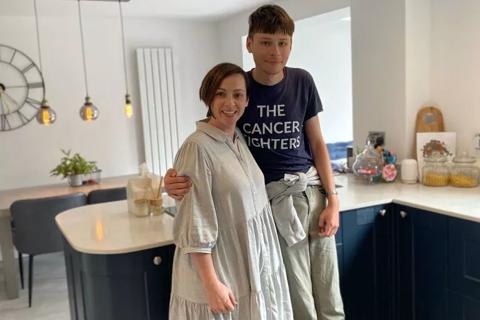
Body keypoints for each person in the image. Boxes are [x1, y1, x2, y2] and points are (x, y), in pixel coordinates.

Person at [166, 5, 345, 320]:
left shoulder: (302, 81)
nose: (275, 52)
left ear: (291, 44)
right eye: (265, 42)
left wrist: (333, 199)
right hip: (275, 203)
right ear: (249, 43)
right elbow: (209, 142)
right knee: (298, 296)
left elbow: (317, 142)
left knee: (330, 294)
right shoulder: (241, 86)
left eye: (282, 43)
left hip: (313, 192)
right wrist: (171, 179)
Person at [168, 62, 293, 320]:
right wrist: (211, 284)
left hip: (250, 264)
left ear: (247, 100)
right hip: (221, 270)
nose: (230, 103)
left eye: (237, 95)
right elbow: (196, 224)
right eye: (220, 93)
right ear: (208, 96)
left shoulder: (237, 136)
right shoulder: (197, 148)